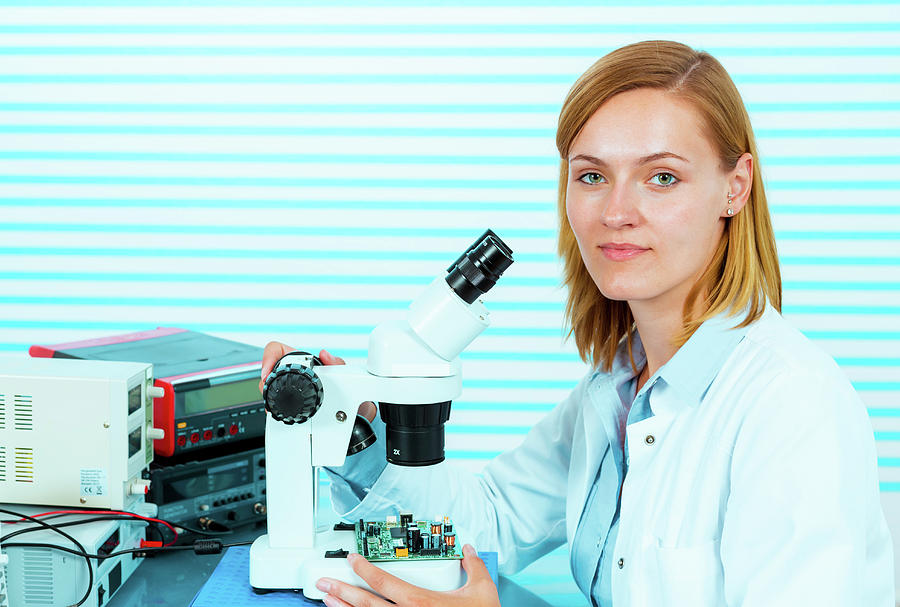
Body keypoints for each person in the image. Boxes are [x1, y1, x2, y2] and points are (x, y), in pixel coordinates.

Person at [260, 40, 894, 606]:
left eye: (662, 177)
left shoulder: (790, 407)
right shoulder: (619, 384)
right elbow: (490, 520)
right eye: (592, 176)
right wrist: (360, 434)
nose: (616, 211)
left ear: (736, 187)